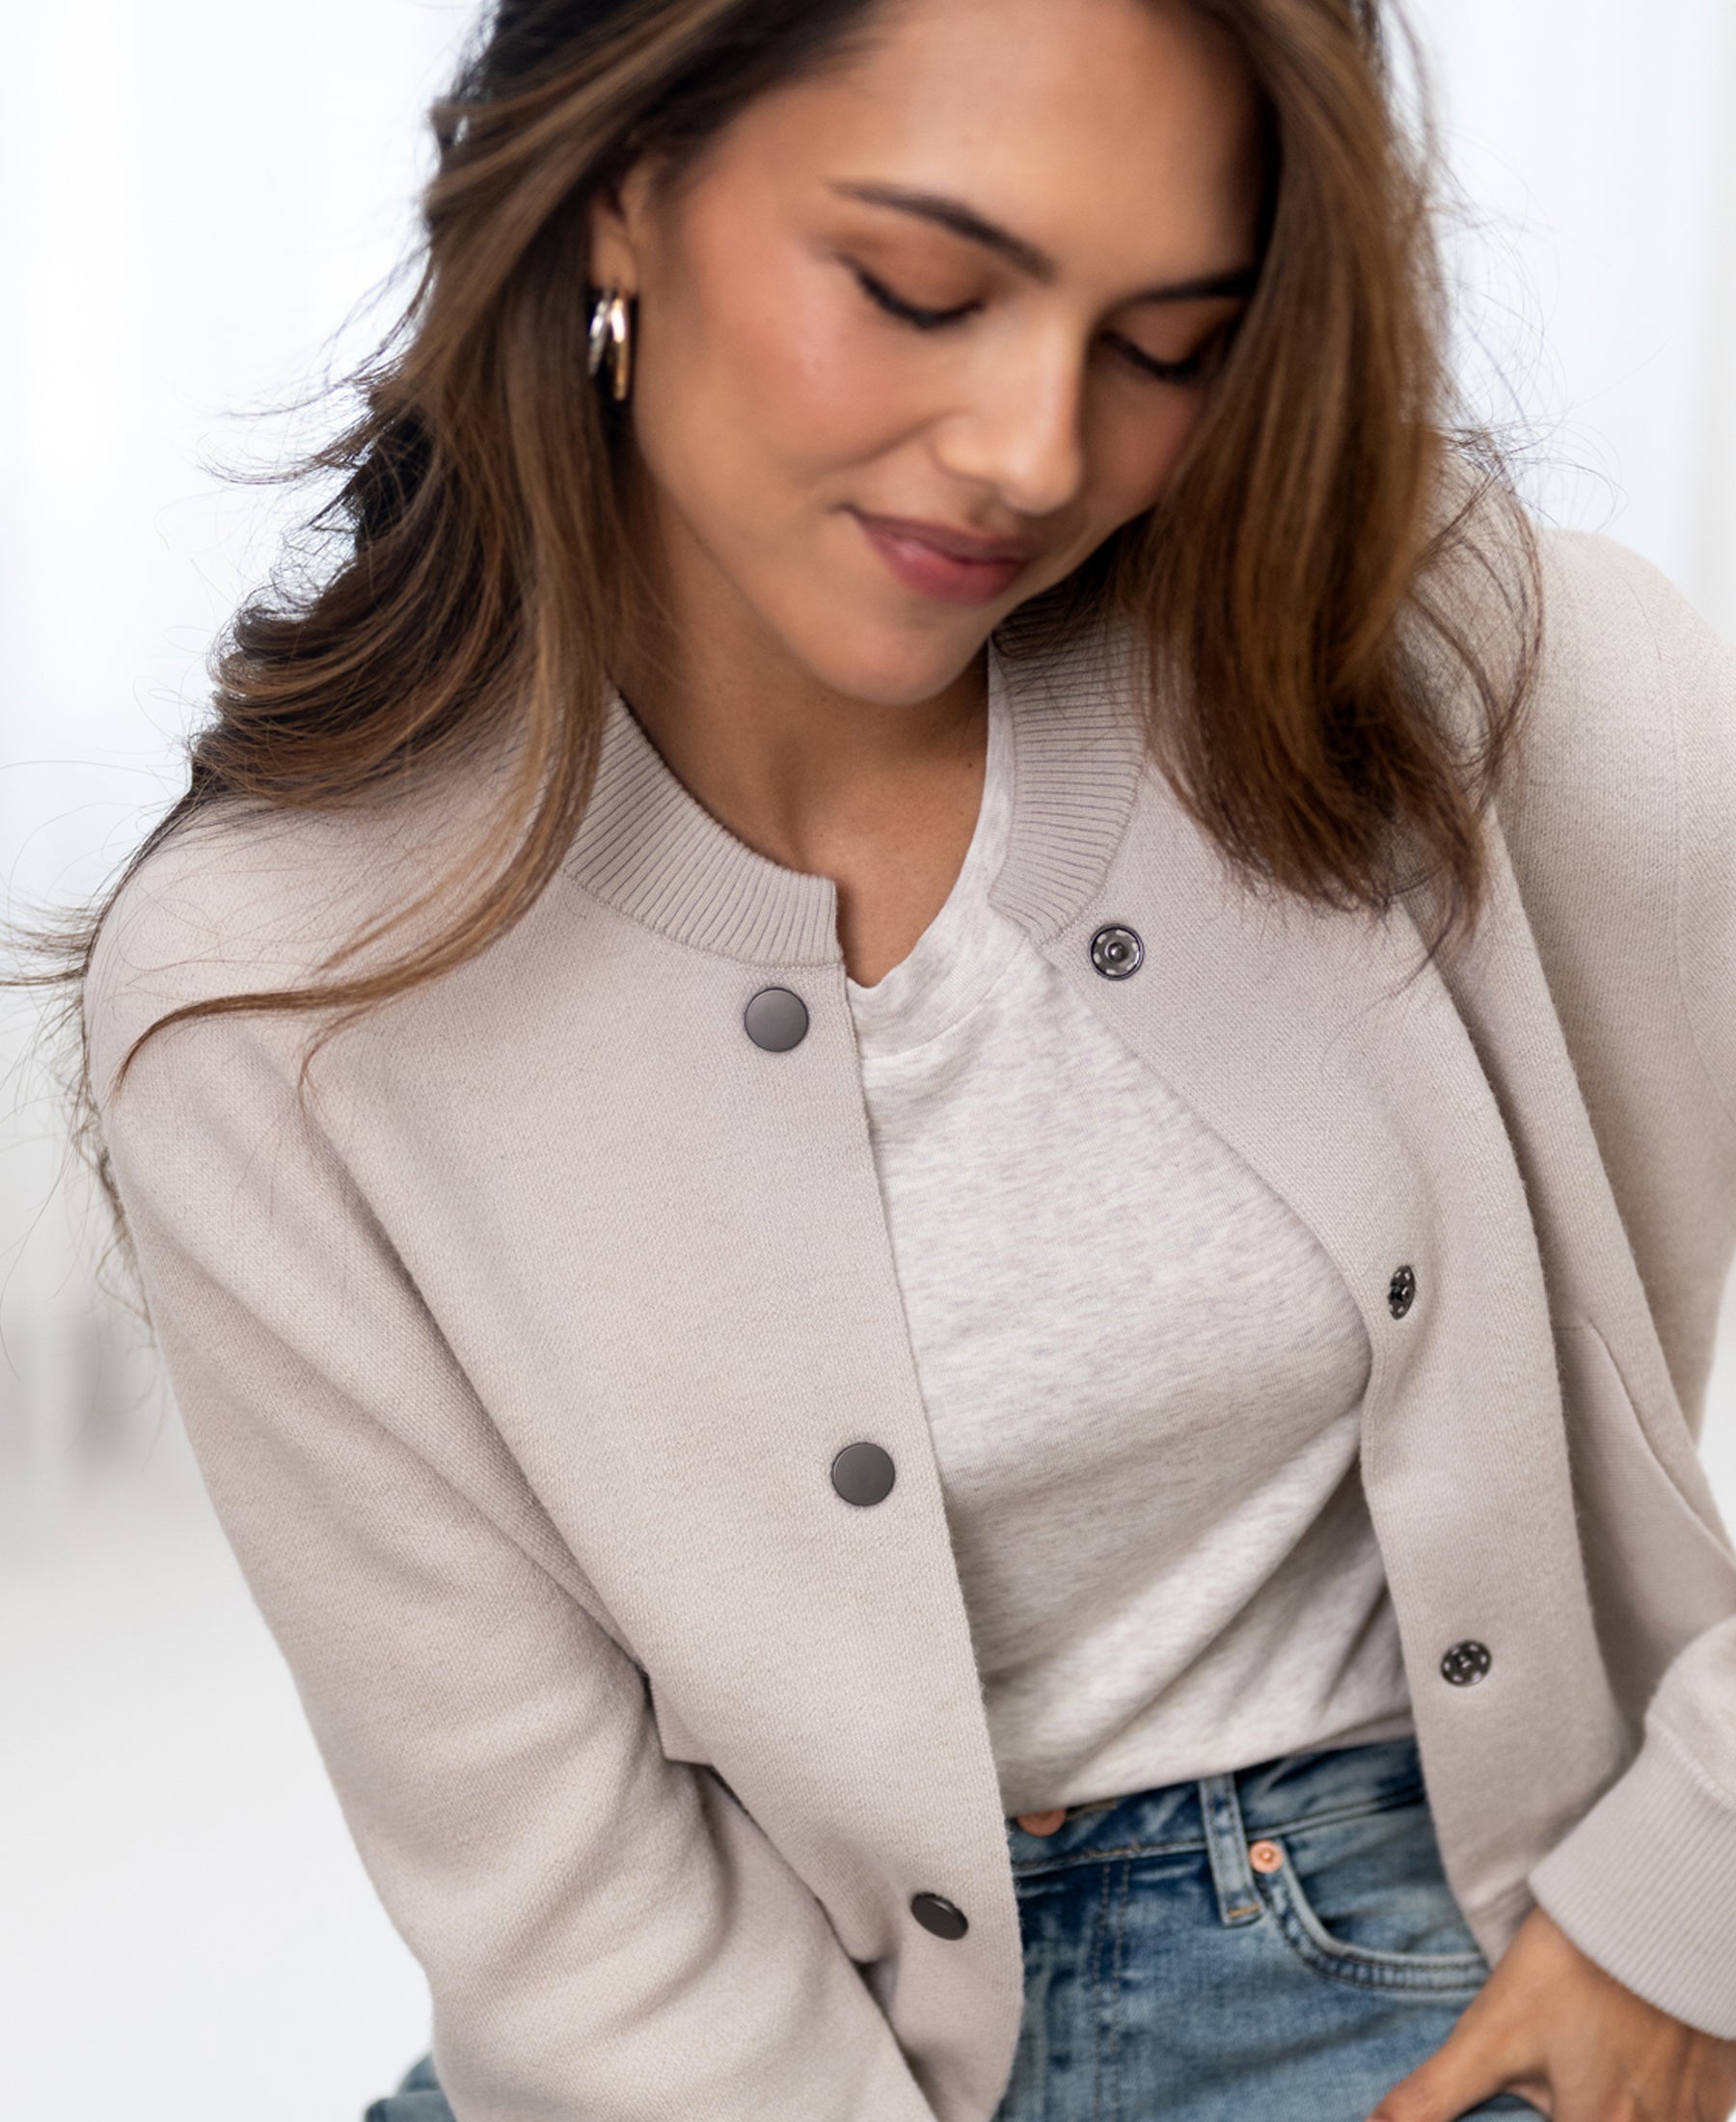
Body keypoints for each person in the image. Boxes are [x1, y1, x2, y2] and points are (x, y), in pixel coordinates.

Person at [56, 0, 1736, 2114]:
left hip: (1427, 1962)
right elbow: (565, 1913)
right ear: (617, 188)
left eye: (1168, 341)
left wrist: (1693, 1895)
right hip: (710, 2026)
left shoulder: (1480, 691)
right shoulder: (279, 992)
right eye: (921, 289)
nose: (1036, 449)